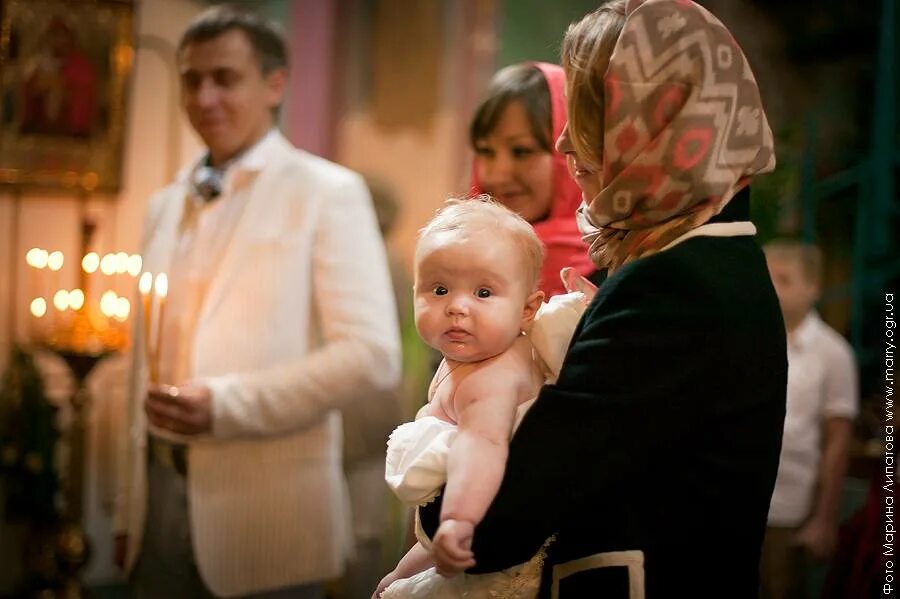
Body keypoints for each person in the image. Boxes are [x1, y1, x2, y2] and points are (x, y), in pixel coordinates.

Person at [418, 1, 787, 597]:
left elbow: (506, 518)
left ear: (657, 123)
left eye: (593, 114)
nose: (567, 142)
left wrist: (432, 507)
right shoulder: (709, 256)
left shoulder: (676, 284)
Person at [112, 5, 400, 598]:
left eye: (225, 78)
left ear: (275, 84)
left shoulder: (327, 193)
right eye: (192, 80)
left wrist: (227, 405)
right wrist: (126, 512)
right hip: (157, 504)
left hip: (267, 514)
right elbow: (143, 359)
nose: (205, 97)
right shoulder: (164, 205)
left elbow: (372, 356)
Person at [375, 198, 587, 598]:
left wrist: (457, 520)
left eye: (483, 292)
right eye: (439, 289)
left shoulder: (492, 376)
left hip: (496, 554)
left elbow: (482, 445)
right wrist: (406, 568)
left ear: (527, 310)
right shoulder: (466, 357)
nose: (456, 306)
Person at [761, 240, 859, 599]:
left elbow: (837, 440)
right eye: (766, 277)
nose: (772, 288)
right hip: (742, 500)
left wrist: (824, 518)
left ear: (813, 287)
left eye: (784, 279)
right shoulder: (753, 340)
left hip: (792, 507)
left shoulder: (832, 353)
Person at [469, 62, 600, 297]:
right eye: (486, 152)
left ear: (573, 152)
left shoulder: (610, 272)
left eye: (521, 151)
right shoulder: (458, 259)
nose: (497, 176)